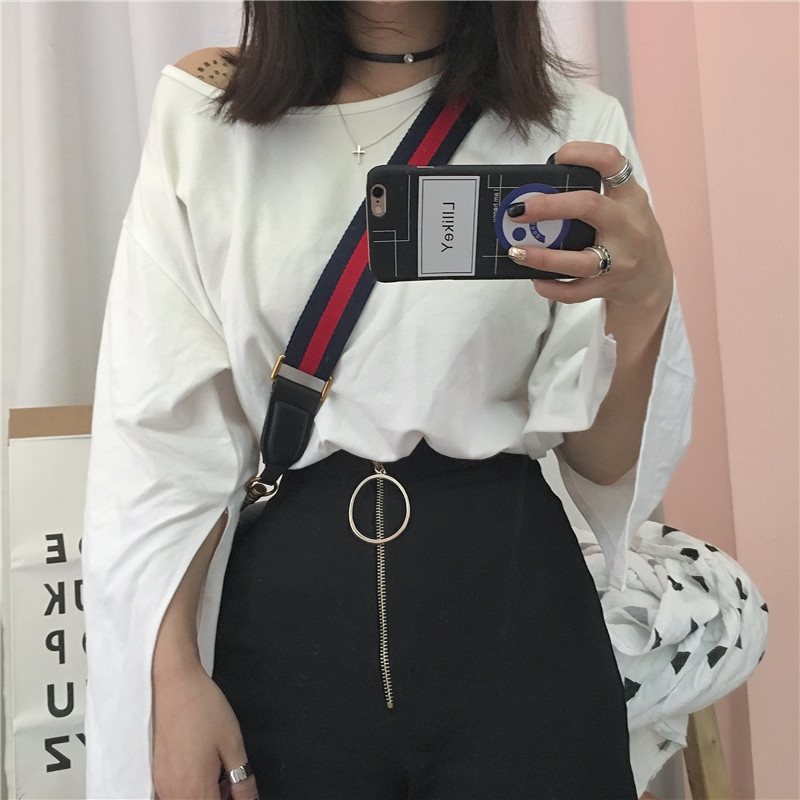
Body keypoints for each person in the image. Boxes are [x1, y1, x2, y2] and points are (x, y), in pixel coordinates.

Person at [82, 2, 695, 799]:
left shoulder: (573, 126)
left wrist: (643, 303)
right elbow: (159, 437)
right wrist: (170, 679)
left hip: (516, 620)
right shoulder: (206, 113)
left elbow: (602, 461)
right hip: (282, 633)